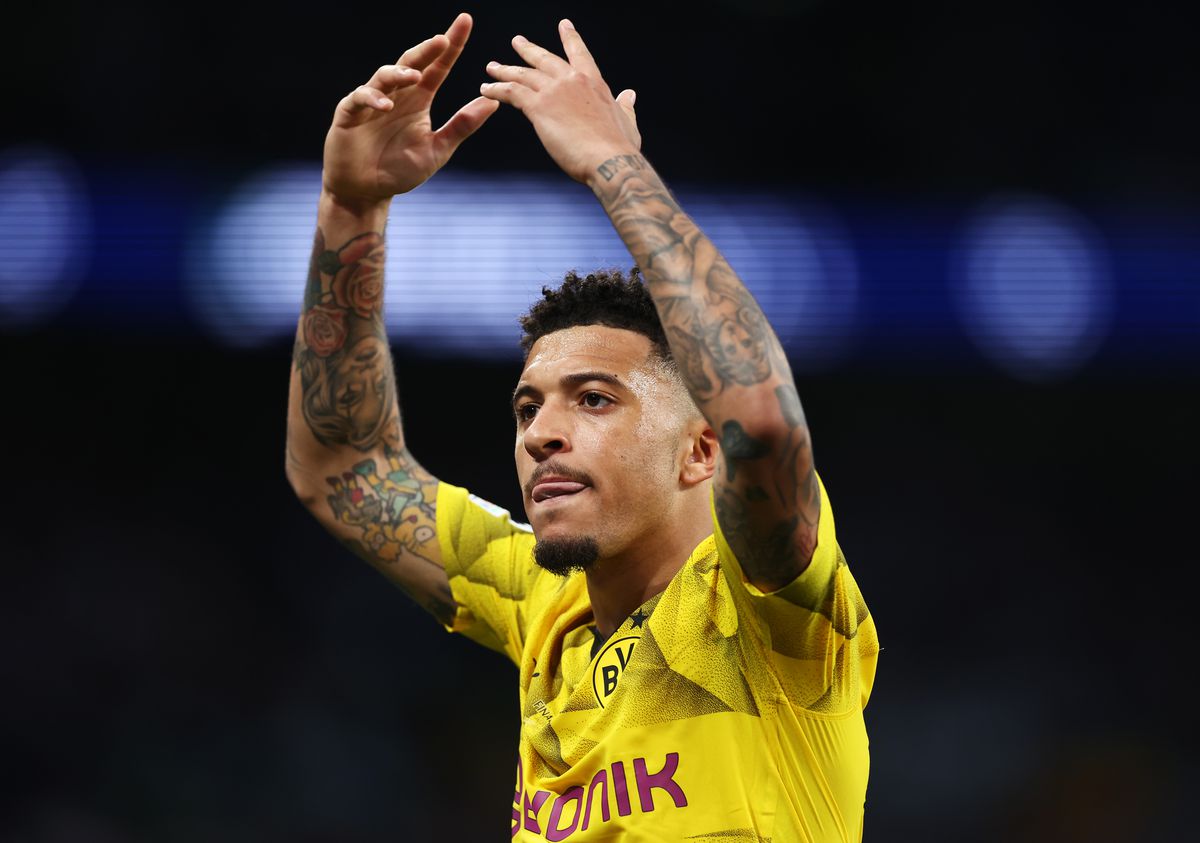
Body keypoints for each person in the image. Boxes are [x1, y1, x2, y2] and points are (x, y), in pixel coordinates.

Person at [285, 11, 880, 841]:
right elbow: (344, 467)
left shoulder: (766, 611)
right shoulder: (543, 601)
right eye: (528, 407)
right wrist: (352, 204)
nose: (540, 434)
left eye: (594, 398)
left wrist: (613, 164)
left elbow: (763, 424)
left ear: (700, 450)